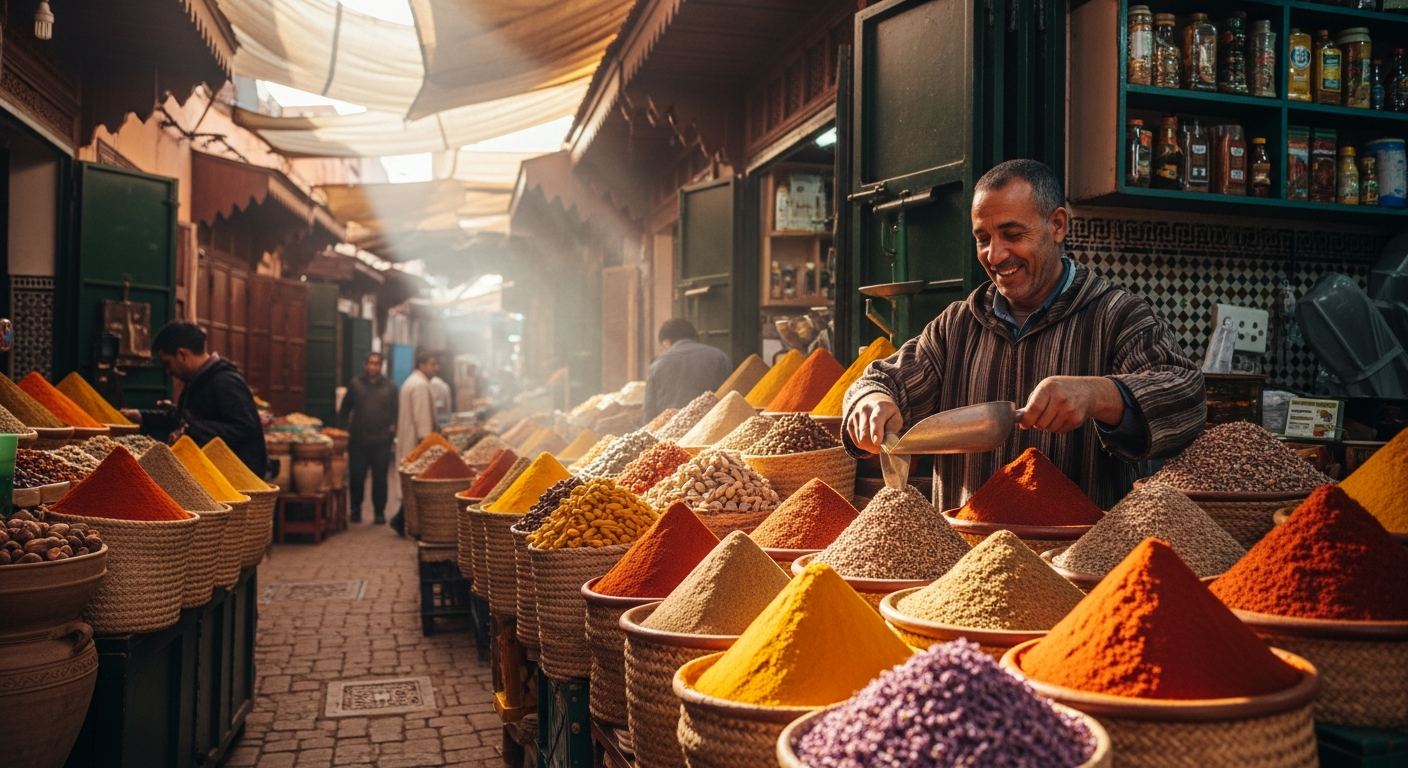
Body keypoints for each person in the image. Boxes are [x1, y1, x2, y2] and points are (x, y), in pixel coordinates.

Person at [844, 159, 1205, 510]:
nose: (995, 254)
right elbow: (882, 380)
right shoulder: (958, 325)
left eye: (1012, 234)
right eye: (982, 238)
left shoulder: (1116, 315)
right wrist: (871, 401)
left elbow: (1187, 399)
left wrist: (1100, 394)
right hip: (970, 560)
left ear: (1058, 225)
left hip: (1077, 561)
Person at [122, 321, 269, 478]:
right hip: (214, 474)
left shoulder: (224, 380)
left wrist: (192, 431)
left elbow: (244, 428)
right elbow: (182, 420)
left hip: (238, 479)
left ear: (182, 354)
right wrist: (142, 416)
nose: (167, 370)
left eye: (167, 363)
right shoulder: (197, 379)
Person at [338, 352, 398, 524]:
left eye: (377, 363)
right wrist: (343, 431)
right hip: (358, 440)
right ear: (365, 365)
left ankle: (379, 512)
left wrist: (392, 429)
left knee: (380, 477)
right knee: (357, 476)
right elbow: (344, 409)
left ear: (381, 366)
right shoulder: (355, 385)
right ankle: (355, 510)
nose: (373, 366)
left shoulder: (390, 387)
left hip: (381, 440)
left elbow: (396, 411)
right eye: (370, 363)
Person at [642, 318, 733, 421]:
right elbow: (730, 398)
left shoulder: (657, 364)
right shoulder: (720, 357)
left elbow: (649, 410)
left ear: (666, 342)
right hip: (712, 428)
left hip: (668, 433)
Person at [390, 350, 439, 535]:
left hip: (409, 441)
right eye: (433, 364)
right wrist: (427, 448)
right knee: (415, 485)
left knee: (410, 486)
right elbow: (422, 421)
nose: (436, 368)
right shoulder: (419, 385)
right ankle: (402, 521)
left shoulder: (413, 381)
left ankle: (401, 520)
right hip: (415, 444)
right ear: (422, 364)